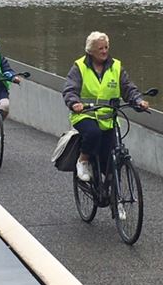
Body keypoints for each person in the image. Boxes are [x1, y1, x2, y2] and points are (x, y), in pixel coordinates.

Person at [62, 31, 149, 182]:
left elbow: (128, 88)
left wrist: (138, 101)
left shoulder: (116, 66)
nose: (104, 51)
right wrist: (74, 102)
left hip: (109, 118)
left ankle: (114, 192)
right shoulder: (80, 67)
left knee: (113, 157)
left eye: (106, 47)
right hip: (85, 114)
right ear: (90, 51)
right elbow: (70, 89)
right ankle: (83, 161)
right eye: (100, 48)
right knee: (93, 133)